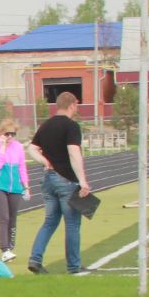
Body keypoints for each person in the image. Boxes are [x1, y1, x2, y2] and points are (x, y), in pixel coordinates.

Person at [25, 91, 93, 274]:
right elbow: (73, 152)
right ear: (71, 105)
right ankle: (73, 266)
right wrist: (82, 181)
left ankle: (35, 259)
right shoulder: (71, 126)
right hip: (66, 180)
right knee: (72, 224)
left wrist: (45, 161)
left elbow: (31, 148)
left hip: (48, 179)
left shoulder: (46, 125)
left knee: (49, 222)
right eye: (76, 105)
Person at [0, 118, 29, 261]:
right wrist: (3, 148)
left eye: (13, 134)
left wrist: (26, 186)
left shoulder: (18, 147)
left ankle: (10, 247)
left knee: (13, 218)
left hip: (15, 188)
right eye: (7, 134)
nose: (10, 137)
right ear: (1, 133)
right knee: (4, 217)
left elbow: (22, 166)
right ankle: (4, 249)